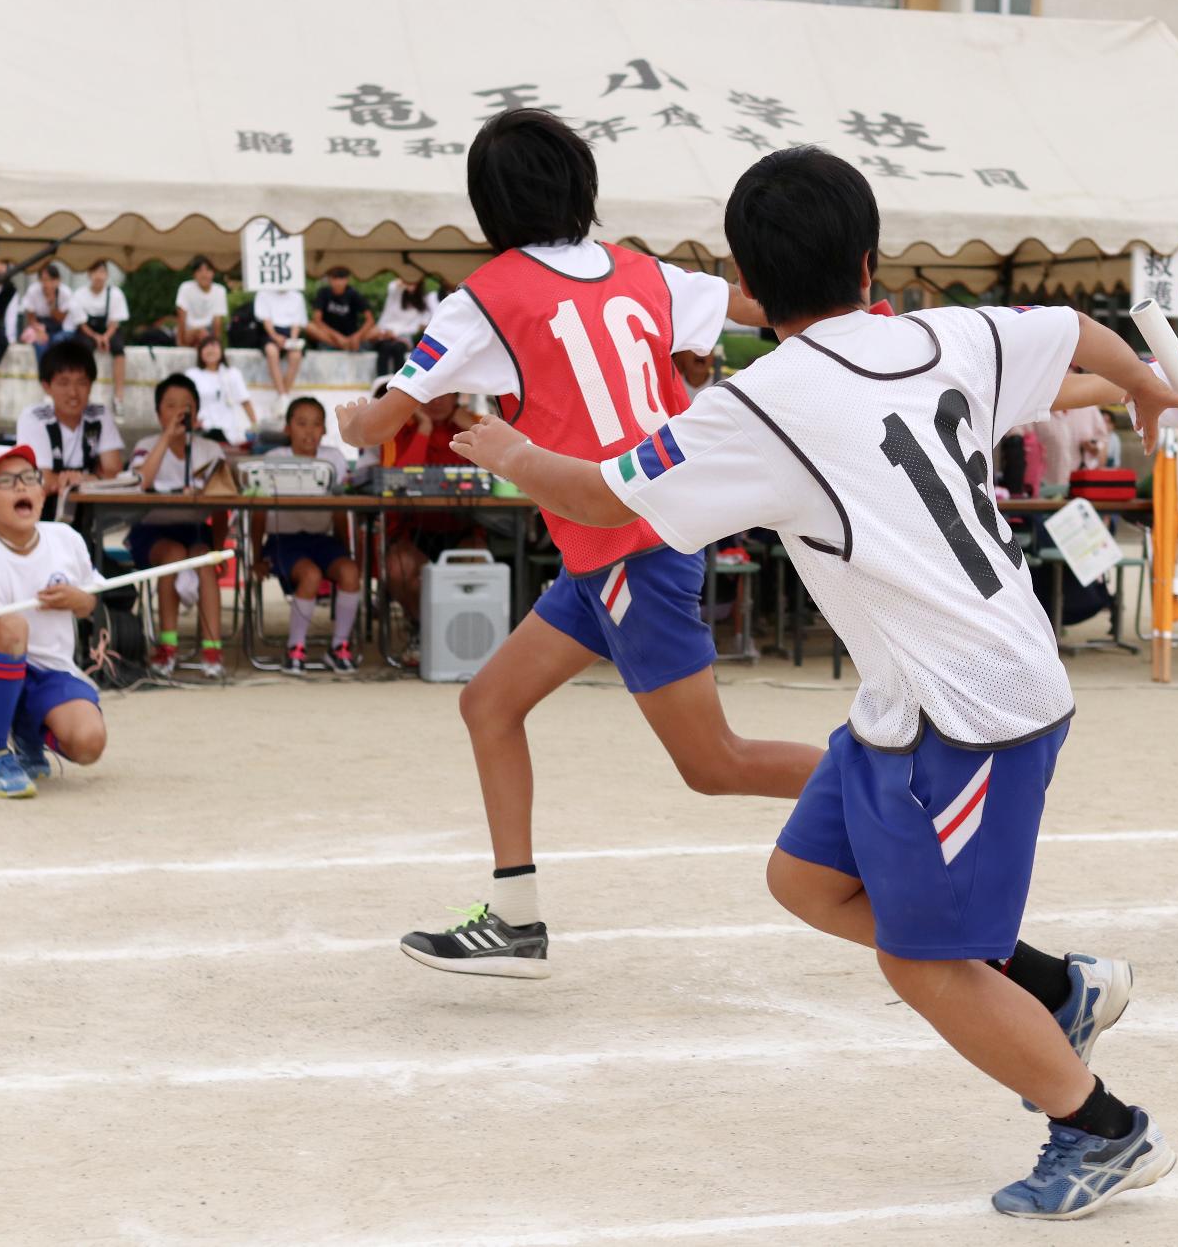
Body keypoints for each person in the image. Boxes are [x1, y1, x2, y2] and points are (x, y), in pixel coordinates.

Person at [444, 146, 1178, 1220]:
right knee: (804, 878)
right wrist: (1149, 388)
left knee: (918, 960)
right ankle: (1052, 988)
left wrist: (512, 451)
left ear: (748, 277)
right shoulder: (945, 331)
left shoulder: (761, 403)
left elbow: (605, 500)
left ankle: (1100, 1127)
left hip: (971, 707)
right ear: (866, 257)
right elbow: (1073, 332)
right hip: (915, 697)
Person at [335, 108, 832, 983]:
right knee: (488, 703)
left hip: (627, 550)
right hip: (624, 547)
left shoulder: (484, 297)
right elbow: (769, 305)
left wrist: (351, 417)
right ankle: (516, 917)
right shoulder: (645, 273)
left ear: (488, 205)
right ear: (581, 185)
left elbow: (383, 419)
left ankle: (898, 788)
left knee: (714, 764)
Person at [0, 444, 107, 799]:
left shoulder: (67, 538)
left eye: (29, 478)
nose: (21, 487)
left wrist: (78, 599)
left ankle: (28, 736)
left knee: (89, 743)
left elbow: (89, 602)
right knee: (12, 624)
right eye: (5, 481)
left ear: (42, 492)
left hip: (52, 669)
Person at [128, 373, 229, 679]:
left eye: (186, 406)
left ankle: (212, 647)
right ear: (159, 412)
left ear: (196, 414)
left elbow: (223, 504)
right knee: (172, 555)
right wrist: (167, 438)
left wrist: (220, 547)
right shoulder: (146, 446)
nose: (178, 412)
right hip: (153, 532)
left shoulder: (210, 450)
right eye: (170, 406)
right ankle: (167, 645)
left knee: (205, 561)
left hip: (196, 531)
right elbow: (141, 481)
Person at [255, 397, 360, 673]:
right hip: (284, 540)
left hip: (322, 541)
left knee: (350, 572)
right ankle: (295, 647)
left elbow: (340, 511)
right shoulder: (274, 460)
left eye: (316, 424)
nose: (309, 431)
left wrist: (344, 549)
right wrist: (255, 556)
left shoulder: (334, 458)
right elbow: (257, 513)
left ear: (324, 430)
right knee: (310, 575)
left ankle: (339, 646)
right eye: (301, 424)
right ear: (288, 428)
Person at [381, 391, 484, 624]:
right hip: (410, 531)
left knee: (478, 567)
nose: (437, 402)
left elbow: (505, 476)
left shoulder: (475, 424)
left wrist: (474, 430)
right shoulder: (396, 427)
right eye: (429, 394)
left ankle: (458, 632)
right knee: (399, 570)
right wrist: (424, 429)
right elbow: (398, 483)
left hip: (464, 529)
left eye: (445, 394)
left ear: (457, 395)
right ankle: (423, 631)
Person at [14, 337, 124, 514]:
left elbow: (115, 474)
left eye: (81, 383)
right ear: (46, 387)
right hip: (42, 515)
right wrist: (92, 478)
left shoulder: (100, 415)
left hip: (90, 513)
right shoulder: (34, 418)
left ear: (91, 385)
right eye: (63, 383)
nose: (73, 393)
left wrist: (80, 479)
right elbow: (41, 481)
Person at [67, 261, 130, 408]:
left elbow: (115, 322)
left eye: (102, 272)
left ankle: (119, 397)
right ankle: (84, 394)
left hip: (109, 331)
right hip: (87, 332)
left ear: (107, 275)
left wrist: (106, 337)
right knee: (83, 351)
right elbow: (81, 324)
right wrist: (96, 337)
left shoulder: (115, 294)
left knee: (119, 349)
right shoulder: (79, 295)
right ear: (89, 274)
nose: (99, 276)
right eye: (95, 272)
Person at [183, 336, 257, 449]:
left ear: (221, 351)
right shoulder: (192, 374)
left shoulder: (232, 373)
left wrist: (255, 425)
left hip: (228, 430)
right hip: (201, 428)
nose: (210, 350)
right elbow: (185, 403)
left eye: (214, 346)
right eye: (206, 347)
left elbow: (245, 400)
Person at [369, 277, 438, 375]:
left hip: (403, 337)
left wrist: (395, 334)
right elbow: (393, 286)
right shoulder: (396, 294)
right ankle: (381, 382)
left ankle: (399, 383)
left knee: (398, 349)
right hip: (384, 334)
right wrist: (407, 278)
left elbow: (418, 326)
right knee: (385, 348)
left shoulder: (423, 301)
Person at [254, 285, 309, 403]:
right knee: (271, 351)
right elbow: (265, 320)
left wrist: (292, 340)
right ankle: (283, 395)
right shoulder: (263, 293)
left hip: (291, 334)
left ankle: (284, 395)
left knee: (296, 355)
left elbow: (297, 323)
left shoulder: (297, 296)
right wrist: (275, 336)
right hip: (270, 333)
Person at [307, 267, 375, 352]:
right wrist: (337, 336)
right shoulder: (323, 292)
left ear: (347, 280)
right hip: (330, 336)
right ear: (329, 279)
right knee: (309, 327)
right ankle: (344, 346)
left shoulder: (353, 294)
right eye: (335, 278)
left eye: (341, 278)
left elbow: (370, 320)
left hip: (351, 336)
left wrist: (357, 336)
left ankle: (348, 344)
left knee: (377, 331)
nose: (338, 282)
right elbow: (317, 320)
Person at [175, 257, 229, 349]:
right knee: (200, 333)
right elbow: (181, 318)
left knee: (204, 335)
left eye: (208, 270)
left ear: (213, 273)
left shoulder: (220, 290)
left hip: (208, 334)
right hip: (188, 333)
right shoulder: (185, 288)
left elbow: (217, 322)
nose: (204, 274)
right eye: (199, 270)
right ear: (194, 274)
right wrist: (181, 343)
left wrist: (216, 345)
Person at [19, 264, 77, 346]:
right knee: (40, 343)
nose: (48, 283)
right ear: (39, 280)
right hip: (39, 325)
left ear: (58, 280)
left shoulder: (65, 292)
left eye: (52, 280)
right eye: (45, 280)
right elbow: (31, 317)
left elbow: (61, 319)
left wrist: (52, 305)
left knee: (58, 341)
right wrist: (40, 331)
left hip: (61, 327)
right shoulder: (33, 290)